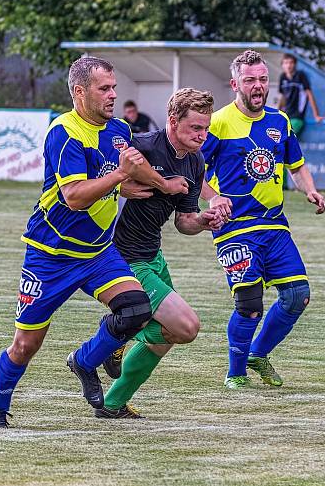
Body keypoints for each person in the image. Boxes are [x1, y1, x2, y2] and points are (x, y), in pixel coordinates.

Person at [0, 56, 188, 428]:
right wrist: (122, 176)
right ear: (80, 92)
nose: (113, 95)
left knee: (136, 309)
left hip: (97, 253)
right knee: (26, 345)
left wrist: (158, 185)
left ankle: (85, 361)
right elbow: (75, 195)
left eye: (113, 88)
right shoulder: (64, 132)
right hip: (50, 256)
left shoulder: (119, 130)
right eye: (104, 89)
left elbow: (118, 175)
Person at [200, 50, 325, 389]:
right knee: (249, 304)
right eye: (249, 80)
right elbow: (192, 168)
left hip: (274, 224)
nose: (258, 86)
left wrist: (310, 190)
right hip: (235, 227)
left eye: (262, 79)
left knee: (297, 295)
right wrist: (213, 197)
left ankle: (258, 353)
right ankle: (236, 372)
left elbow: (296, 165)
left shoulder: (279, 121)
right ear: (234, 84)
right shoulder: (218, 122)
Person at [96, 87, 225, 418]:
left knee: (168, 335)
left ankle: (112, 404)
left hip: (153, 255)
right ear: (172, 121)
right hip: (123, 257)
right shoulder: (143, 146)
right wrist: (121, 183)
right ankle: (116, 333)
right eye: (196, 128)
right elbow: (102, 174)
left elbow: (183, 222)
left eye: (206, 128)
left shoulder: (195, 163)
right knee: (187, 326)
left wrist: (203, 220)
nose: (202, 135)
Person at [277, 53, 324, 137]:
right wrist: (277, 113)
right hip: (285, 116)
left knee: (286, 137)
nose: (288, 65)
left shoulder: (300, 75)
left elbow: (309, 94)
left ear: (295, 64)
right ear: (282, 65)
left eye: (291, 62)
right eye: (286, 63)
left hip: (297, 117)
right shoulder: (282, 77)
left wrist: (316, 115)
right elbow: (283, 97)